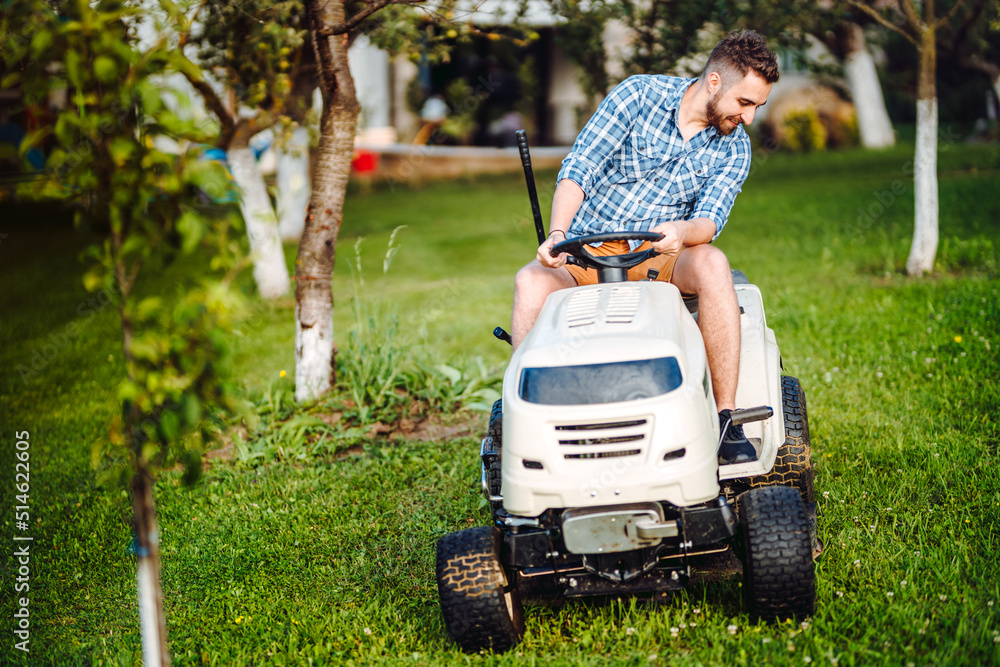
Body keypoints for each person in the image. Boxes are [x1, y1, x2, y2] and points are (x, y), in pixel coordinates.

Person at [510, 30, 779, 465]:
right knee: (530, 282)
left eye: (757, 107)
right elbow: (580, 167)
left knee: (713, 263)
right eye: (744, 103)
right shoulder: (636, 96)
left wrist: (682, 229)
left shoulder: (736, 149)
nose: (748, 118)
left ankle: (727, 418)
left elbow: (710, 220)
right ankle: (528, 424)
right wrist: (558, 234)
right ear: (714, 82)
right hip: (588, 251)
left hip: (661, 254)